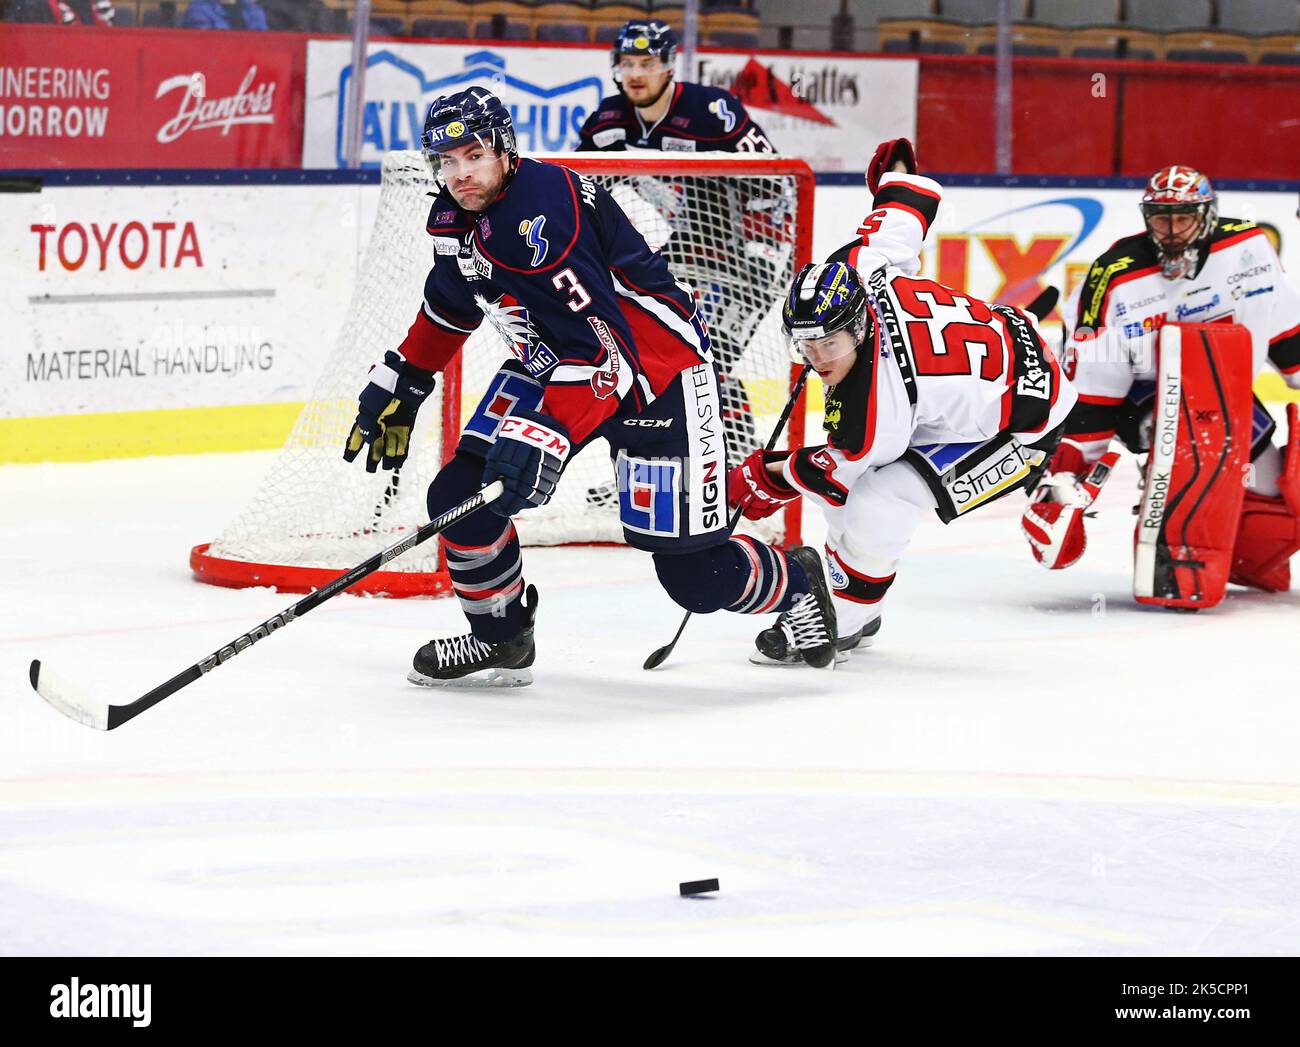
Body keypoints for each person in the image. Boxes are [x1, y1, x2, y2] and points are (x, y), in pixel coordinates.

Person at [342, 88, 839, 686]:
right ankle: (502, 637)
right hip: (556, 362)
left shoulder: (542, 215)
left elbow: (610, 354)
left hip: (657, 375)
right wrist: (405, 380)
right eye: (446, 161)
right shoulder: (461, 218)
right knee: (459, 495)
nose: (459, 174)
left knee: (695, 578)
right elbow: (452, 306)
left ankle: (798, 584)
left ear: (503, 149)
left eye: (472, 155)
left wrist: (544, 431)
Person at [728, 140, 1078, 665]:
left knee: (880, 497)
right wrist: (896, 174)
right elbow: (903, 212)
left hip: (1025, 416)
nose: (817, 357)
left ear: (861, 326)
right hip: (975, 374)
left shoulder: (878, 405)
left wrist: (767, 477)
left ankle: (847, 614)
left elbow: (837, 468)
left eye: (830, 344)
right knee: (851, 492)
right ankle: (855, 597)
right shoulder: (858, 268)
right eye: (805, 343)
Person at [1022, 165, 1300, 591]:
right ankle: (1173, 551)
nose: (1171, 231)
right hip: (1143, 398)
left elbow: (1284, 332)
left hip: (1225, 394)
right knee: (1194, 458)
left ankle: (1239, 560)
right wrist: (1071, 473)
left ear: (1206, 216)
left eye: (1183, 218)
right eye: (1160, 218)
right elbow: (1092, 389)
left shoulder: (1248, 247)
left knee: (1277, 497)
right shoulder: (1113, 277)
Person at [576, 19, 779, 484]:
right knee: (651, 356)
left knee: (708, 358)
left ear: (669, 67)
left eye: (647, 63)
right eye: (627, 63)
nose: (636, 74)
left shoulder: (712, 111)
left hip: (752, 253)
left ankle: (728, 471)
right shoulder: (608, 122)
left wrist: (765, 253)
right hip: (688, 249)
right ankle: (665, 467)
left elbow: (777, 178)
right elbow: (578, 192)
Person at [182, 0, 267, 30]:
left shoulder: (250, 7)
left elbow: (261, 39)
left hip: (249, 62)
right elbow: (206, 44)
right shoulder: (198, 8)